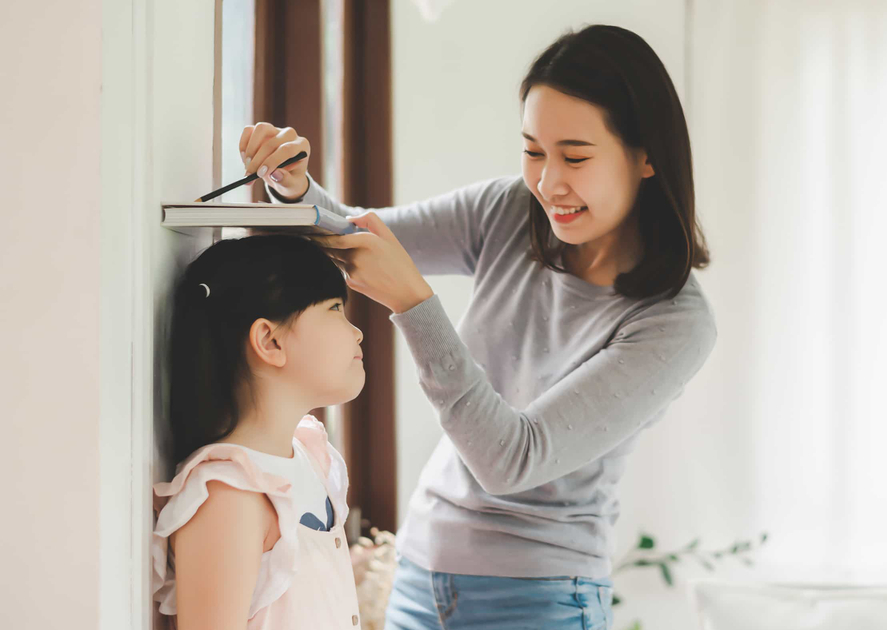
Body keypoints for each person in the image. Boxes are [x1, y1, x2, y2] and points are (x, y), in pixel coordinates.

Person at [241, 24, 717, 629]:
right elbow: (359, 237)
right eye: (532, 150)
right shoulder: (509, 211)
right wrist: (294, 187)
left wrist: (414, 303)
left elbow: (512, 460)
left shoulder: (674, 322)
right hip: (420, 573)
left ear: (647, 154)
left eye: (574, 156)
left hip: (540, 600)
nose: (548, 183)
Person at [151, 235, 366, 629]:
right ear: (270, 340)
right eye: (336, 308)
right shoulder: (229, 494)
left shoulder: (308, 452)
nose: (358, 333)